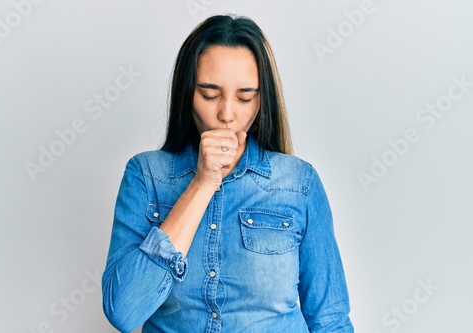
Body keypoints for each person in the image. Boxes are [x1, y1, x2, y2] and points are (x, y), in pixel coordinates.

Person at [102, 14, 354, 333]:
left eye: (245, 97)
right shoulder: (146, 175)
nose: (227, 114)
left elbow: (330, 319)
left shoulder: (299, 183)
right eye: (209, 95)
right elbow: (124, 312)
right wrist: (202, 184)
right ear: (187, 94)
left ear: (262, 101)